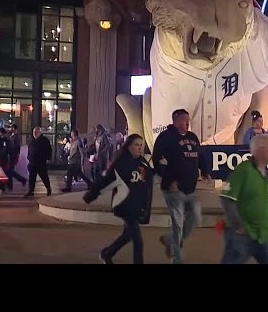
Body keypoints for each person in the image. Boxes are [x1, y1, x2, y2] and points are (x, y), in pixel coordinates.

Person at [84, 134, 154, 263]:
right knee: (138, 240)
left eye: (140, 145)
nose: (139, 148)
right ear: (128, 146)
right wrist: (91, 194)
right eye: (136, 145)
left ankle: (107, 253)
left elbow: (148, 183)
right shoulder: (121, 164)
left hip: (137, 205)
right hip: (125, 205)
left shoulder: (143, 163)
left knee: (127, 236)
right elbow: (106, 181)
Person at [153, 109, 210, 264]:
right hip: (173, 189)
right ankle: (176, 259)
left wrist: (205, 171)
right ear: (176, 121)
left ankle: (170, 239)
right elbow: (157, 161)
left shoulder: (192, 137)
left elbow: (201, 155)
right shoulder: (165, 137)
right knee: (177, 224)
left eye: (188, 120)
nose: (187, 123)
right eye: (185, 120)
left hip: (191, 188)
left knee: (195, 218)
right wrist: (170, 180)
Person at [220, 134, 268, 264]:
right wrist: (238, 226)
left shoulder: (267, 173)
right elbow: (226, 198)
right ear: (261, 150)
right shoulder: (243, 171)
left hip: (263, 234)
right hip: (242, 236)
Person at [24, 127, 52, 198]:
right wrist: (29, 158)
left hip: (41, 163)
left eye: (36, 132)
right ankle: (31, 191)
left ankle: (48, 188)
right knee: (32, 178)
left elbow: (49, 150)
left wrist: (47, 158)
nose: (34, 134)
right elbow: (29, 149)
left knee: (44, 176)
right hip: (32, 162)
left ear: (40, 132)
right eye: (34, 132)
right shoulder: (32, 140)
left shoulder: (44, 140)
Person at [7, 124, 27, 191]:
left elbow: (15, 147)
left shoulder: (16, 137)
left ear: (14, 128)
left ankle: (11, 185)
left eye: (11, 128)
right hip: (11, 156)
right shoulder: (12, 136)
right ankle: (11, 185)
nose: (10, 129)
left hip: (13, 156)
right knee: (10, 171)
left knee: (10, 171)